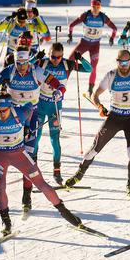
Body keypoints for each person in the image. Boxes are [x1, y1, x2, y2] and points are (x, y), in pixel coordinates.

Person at [0, 91, 83, 237]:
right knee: (0, 184)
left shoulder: (21, 112)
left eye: (4, 110)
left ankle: (66, 214)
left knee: (41, 183)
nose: (1, 114)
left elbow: (32, 106)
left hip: (19, 154)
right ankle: (6, 222)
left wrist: (28, 125)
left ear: (11, 106)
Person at [0, 49, 67, 212]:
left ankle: (27, 195)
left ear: (29, 62)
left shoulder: (37, 71)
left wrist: (59, 93)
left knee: (30, 155)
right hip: (10, 115)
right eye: (19, 64)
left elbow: (59, 85)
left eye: (24, 64)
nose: (21, 67)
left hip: (31, 116)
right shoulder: (9, 71)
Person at [64, 49, 130, 202]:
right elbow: (95, 95)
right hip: (114, 117)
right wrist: (100, 107)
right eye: (121, 62)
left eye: (126, 62)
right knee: (95, 148)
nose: (124, 65)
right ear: (117, 61)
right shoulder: (111, 75)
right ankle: (79, 175)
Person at [34, 43, 92, 184]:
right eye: (53, 57)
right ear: (49, 54)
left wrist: (81, 59)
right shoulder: (42, 63)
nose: (56, 60)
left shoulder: (67, 64)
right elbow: (25, 66)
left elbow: (89, 69)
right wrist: (35, 57)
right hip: (40, 104)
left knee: (55, 138)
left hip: (55, 106)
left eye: (59, 57)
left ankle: (57, 171)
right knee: (36, 136)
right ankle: (33, 168)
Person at [67, 0, 117, 95]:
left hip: (95, 45)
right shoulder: (85, 15)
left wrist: (112, 38)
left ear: (100, 7)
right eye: (94, 7)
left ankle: (90, 89)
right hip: (84, 43)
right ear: (91, 6)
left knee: (93, 67)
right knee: (70, 61)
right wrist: (70, 35)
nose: (95, 10)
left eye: (98, 7)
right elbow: (71, 25)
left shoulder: (103, 17)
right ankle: (63, 83)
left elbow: (114, 28)